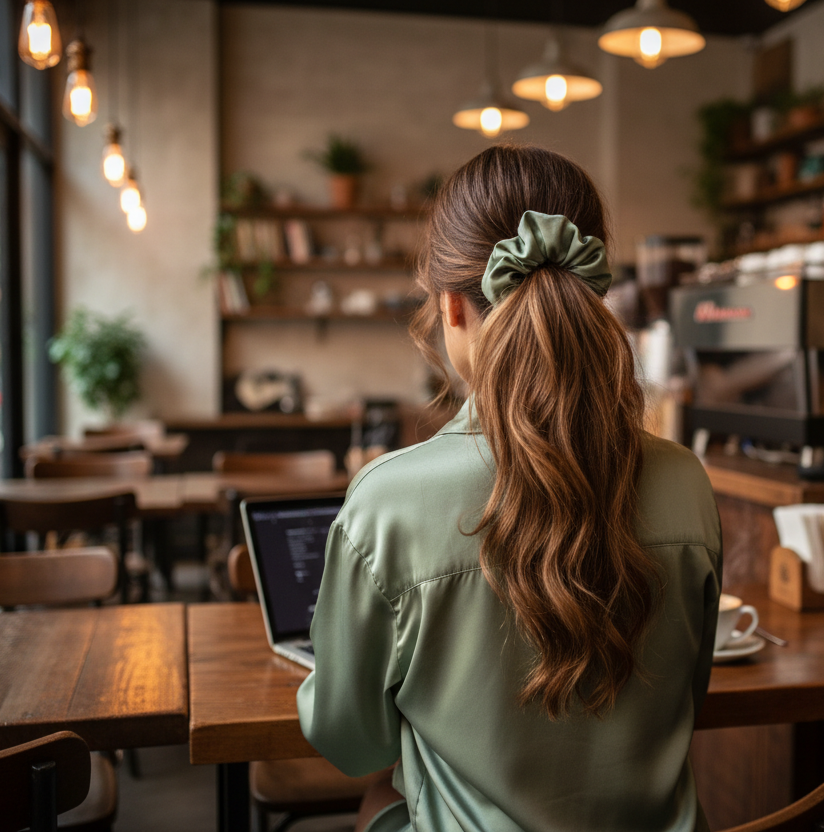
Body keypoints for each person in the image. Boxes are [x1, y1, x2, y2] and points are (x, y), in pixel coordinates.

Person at [296, 145, 723, 832]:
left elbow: (351, 744)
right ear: (595, 292)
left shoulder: (387, 501)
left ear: (450, 307)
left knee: (375, 805)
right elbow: (689, 701)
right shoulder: (686, 481)